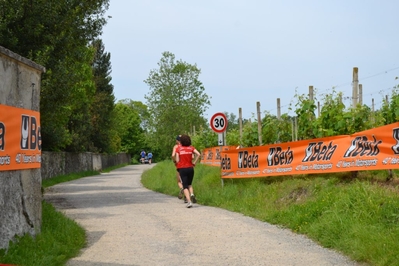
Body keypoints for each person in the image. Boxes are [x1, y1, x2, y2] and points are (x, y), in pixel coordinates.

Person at [175, 134, 200, 208]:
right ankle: (192, 194)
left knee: (185, 186)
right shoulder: (191, 148)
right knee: (189, 184)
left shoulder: (178, 149)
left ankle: (189, 201)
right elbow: (198, 154)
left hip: (182, 169)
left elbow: (177, 160)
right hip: (190, 168)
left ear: (181, 141)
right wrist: (194, 162)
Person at [172, 135, 185, 201]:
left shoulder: (176, 146)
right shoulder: (186, 145)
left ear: (177, 140)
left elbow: (173, 155)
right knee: (187, 182)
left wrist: (175, 161)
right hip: (187, 165)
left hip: (179, 165)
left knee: (179, 181)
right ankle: (188, 195)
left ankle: (182, 189)